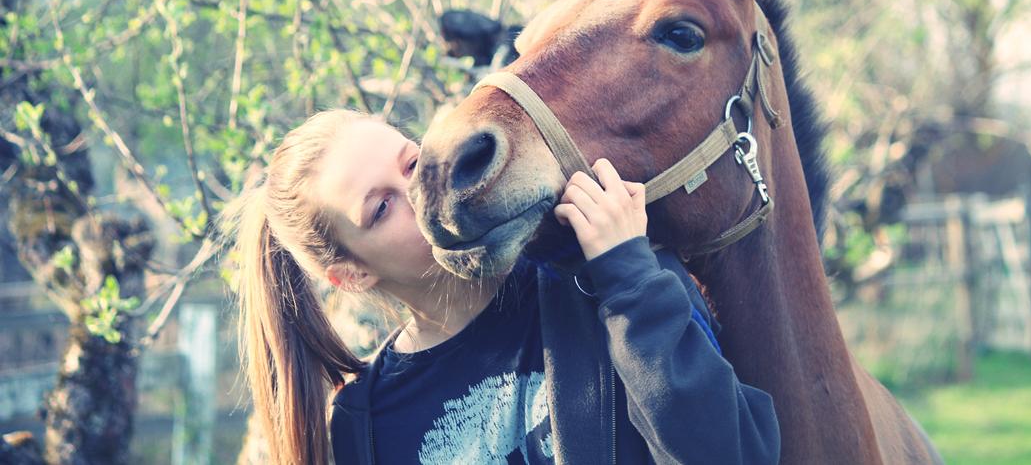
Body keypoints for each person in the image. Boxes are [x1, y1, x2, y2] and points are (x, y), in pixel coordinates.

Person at [233, 108, 779, 464]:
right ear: (352, 275)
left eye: (413, 162)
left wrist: (630, 278)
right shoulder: (365, 428)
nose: (419, 191)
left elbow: (738, 455)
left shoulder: (602, 274)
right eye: (381, 208)